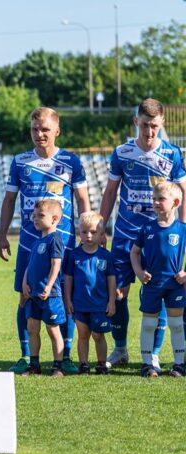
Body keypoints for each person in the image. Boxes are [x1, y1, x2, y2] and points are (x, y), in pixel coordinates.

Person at [0, 107, 90, 375]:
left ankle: (66, 355)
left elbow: (82, 199)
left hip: (64, 244)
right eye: (35, 129)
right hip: (29, 244)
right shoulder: (20, 162)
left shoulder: (71, 161)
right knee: (25, 297)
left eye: (45, 129)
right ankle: (27, 356)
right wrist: (2, 234)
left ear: (57, 131)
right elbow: (9, 200)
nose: (39, 134)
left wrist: (89, 230)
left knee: (65, 297)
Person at [100, 98, 186, 370]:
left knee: (159, 290)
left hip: (160, 237)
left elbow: (183, 193)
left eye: (155, 126)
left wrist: (182, 230)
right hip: (126, 233)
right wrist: (102, 226)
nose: (149, 131)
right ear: (136, 121)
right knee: (118, 292)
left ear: (162, 124)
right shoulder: (122, 153)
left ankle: (154, 354)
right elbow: (110, 192)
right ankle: (120, 349)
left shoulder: (172, 153)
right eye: (145, 125)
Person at [130, 182, 186, 378]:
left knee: (176, 324)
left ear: (175, 203)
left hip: (175, 285)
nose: (155, 202)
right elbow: (134, 253)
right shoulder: (146, 228)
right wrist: (139, 272)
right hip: (152, 284)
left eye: (161, 199)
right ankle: (147, 365)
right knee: (148, 324)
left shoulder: (182, 229)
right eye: (154, 199)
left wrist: (185, 273)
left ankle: (179, 365)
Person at [64, 211, 115, 375]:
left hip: (100, 305)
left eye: (93, 232)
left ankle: (101, 364)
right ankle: (83, 365)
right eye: (84, 232)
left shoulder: (106, 256)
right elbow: (69, 279)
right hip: (80, 304)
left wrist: (112, 301)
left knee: (98, 335)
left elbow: (111, 279)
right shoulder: (74, 255)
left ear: (101, 234)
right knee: (83, 334)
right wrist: (68, 300)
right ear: (79, 233)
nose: (88, 236)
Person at [21, 199, 67, 377]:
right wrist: (24, 282)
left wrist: (48, 286)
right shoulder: (37, 241)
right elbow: (30, 265)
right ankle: (34, 365)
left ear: (55, 219)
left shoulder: (55, 239)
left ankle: (58, 366)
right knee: (32, 328)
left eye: (40, 215)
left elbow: (56, 264)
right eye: (34, 215)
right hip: (33, 294)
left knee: (53, 329)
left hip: (50, 295)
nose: (35, 219)